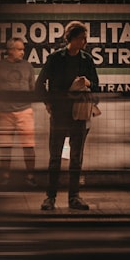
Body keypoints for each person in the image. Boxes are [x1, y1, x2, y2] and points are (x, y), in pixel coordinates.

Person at [34, 20, 99, 211]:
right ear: (71, 38)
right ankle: (50, 197)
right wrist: (48, 103)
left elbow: (96, 85)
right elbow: (39, 84)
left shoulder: (87, 60)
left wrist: (88, 83)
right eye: (81, 38)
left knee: (76, 157)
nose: (85, 42)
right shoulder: (55, 59)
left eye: (85, 38)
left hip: (79, 114)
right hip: (60, 113)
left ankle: (74, 197)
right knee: (55, 157)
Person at [0, 35, 38, 187]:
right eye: (19, 49)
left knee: (29, 146)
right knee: (5, 146)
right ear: (10, 50)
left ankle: (30, 177)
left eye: (23, 49)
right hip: (5, 112)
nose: (23, 52)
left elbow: (32, 88)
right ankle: (5, 177)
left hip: (25, 111)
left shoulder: (28, 66)